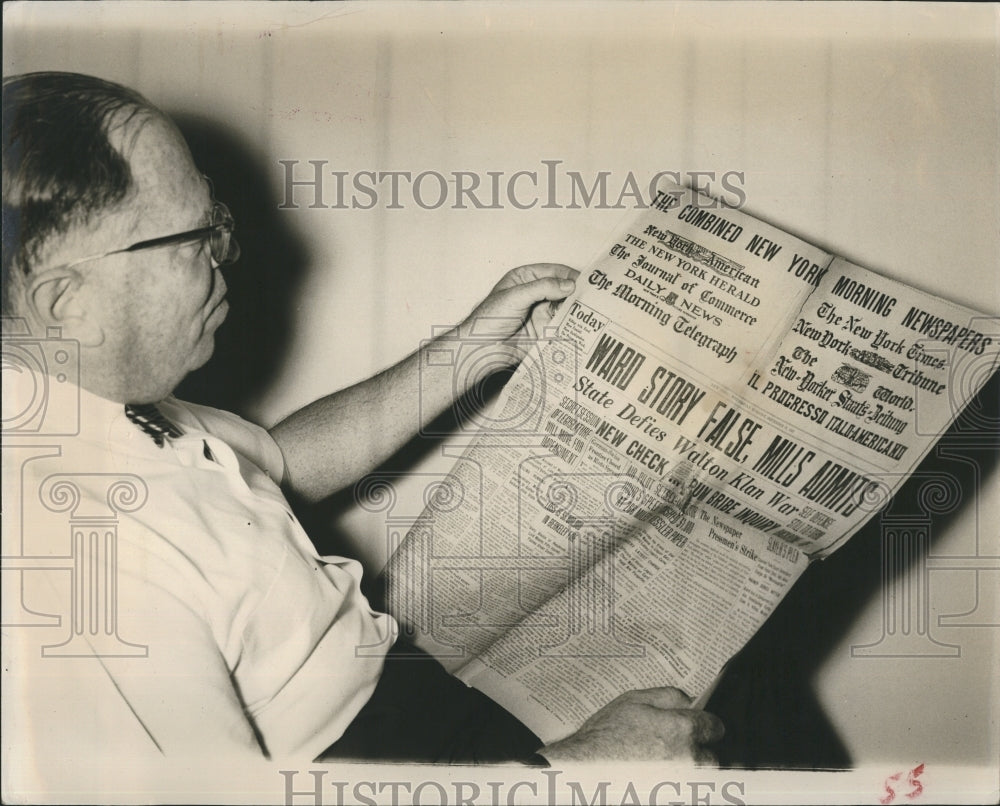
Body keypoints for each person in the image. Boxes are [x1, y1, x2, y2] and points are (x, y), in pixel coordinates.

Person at [1, 72, 724, 778]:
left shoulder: (94, 398)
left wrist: (474, 348)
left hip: (419, 716)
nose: (233, 254)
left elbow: (277, 464)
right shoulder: (75, 562)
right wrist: (581, 771)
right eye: (196, 237)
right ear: (68, 303)